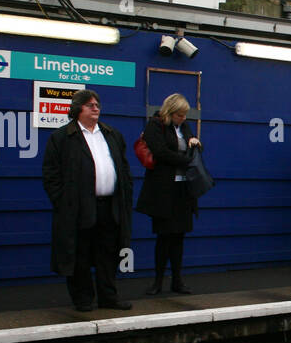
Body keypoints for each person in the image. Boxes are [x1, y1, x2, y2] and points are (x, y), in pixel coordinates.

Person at [42, 89, 134, 311]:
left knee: (109, 255)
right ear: (77, 109)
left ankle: (108, 297)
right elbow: (51, 175)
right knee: (80, 255)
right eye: (89, 105)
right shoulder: (62, 137)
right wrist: (63, 202)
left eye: (97, 104)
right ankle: (83, 299)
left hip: (109, 206)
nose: (95, 108)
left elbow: (123, 168)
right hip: (79, 208)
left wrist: (125, 194)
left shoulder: (112, 134)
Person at [135, 93, 200, 295]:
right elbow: (160, 152)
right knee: (164, 237)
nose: (183, 118)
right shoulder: (155, 125)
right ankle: (158, 281)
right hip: (163, 190)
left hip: (183, 189)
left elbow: (194, 148)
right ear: (170, 112)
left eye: (184, 115)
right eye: (179, 115)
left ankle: (177, 281)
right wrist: (185, 160)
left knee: (179, 237)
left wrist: (196, 143)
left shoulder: (185, 126)